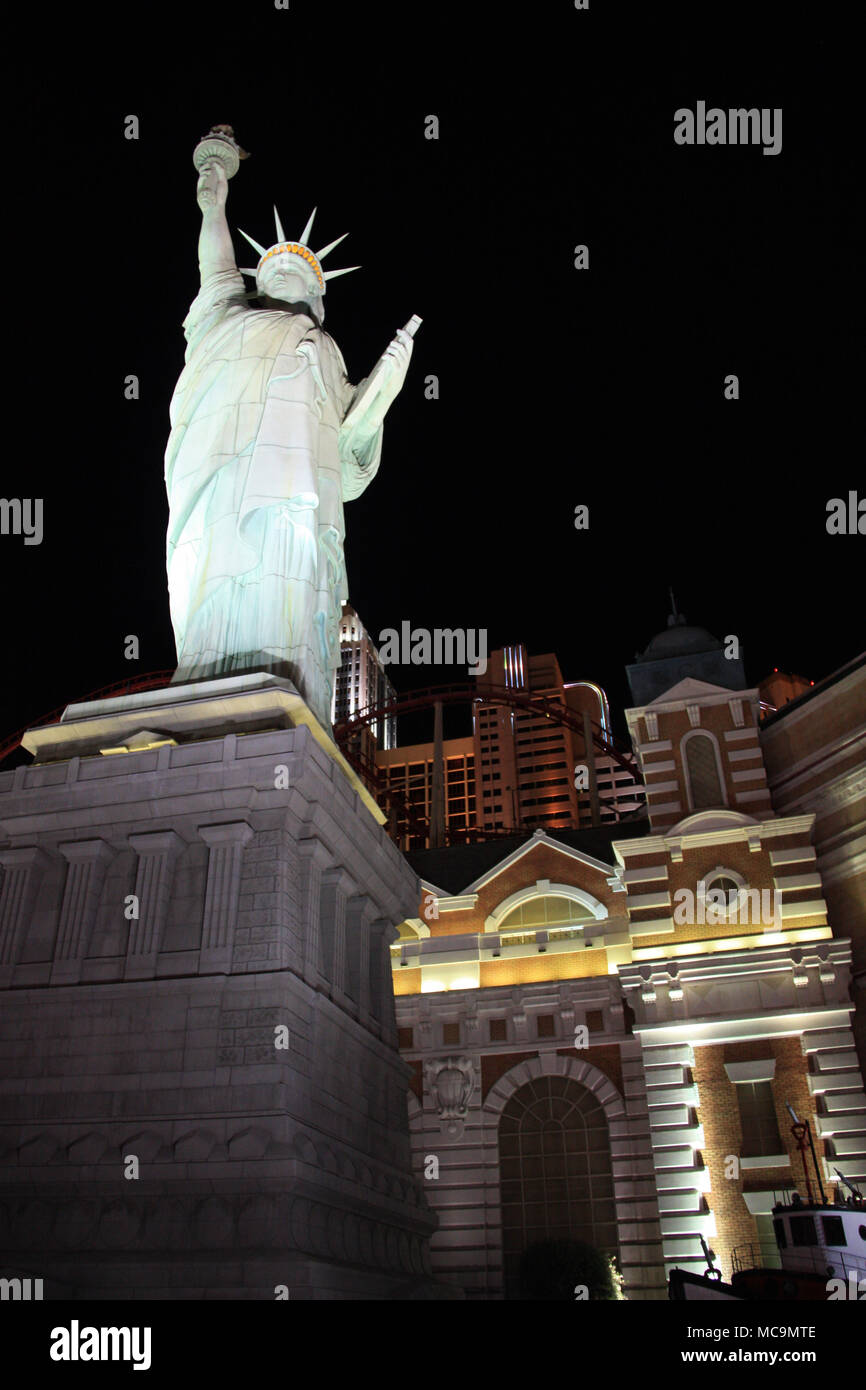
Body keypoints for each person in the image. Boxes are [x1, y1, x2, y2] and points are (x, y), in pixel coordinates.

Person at [164, 156, 412, 729]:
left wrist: (379, 398)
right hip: (218, 483)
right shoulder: (226, 316)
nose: (283, 277)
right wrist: (214, 202)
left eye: (298, 277)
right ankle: (203, 679)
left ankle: (288, 691)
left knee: (289, 590)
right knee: (212, 579)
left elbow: (347, 464)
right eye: (273, 272)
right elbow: (216, 263)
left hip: (297, 502)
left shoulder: (325, 349)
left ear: (317, 298)